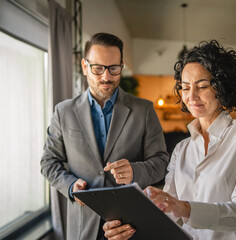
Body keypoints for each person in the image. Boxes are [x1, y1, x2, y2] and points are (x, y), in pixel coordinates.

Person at [103, 40, 236, 240]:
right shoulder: (182, 149)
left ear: (222, 87)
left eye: (202, 86)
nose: (191, 96)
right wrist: (129, 227)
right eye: (185, 87)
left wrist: (183, 207)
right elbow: (168, 215)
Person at [41, 32, 169, 240]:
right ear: (84, 66)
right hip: (83, 226)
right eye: (98, 68)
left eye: (113, 68)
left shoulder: (144, 110)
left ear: (121, 66)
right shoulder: (63, 112)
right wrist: (71, 186)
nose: (106, 77)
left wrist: (135, 171)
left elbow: (162, 162)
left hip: (131, 227)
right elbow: (48, 162)